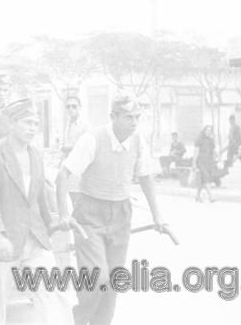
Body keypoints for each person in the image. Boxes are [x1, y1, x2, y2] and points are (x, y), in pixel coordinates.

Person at [55, 95, 165, 325]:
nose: (134, 122)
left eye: (137, 117)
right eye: (128, 117)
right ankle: (80, 318)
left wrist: (157, 215)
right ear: (113, 117)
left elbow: (145, 177)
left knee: (114, 280)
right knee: (98, 277)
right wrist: (64, 213)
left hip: (121, 214)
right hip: (90, 214)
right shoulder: (93, 139)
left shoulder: (138, 141)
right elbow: (63, 175)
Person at [0, 99, 73, 325]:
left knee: (53, 293)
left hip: (34, 239)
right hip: (0, 244)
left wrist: (52, 223)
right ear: (11, 124)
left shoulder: (36, 155)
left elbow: (39, 199)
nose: (33, 128)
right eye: (27, 122)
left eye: (36, 123)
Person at [60, 95, 89, 203]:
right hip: (67, 166)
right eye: (68, 107)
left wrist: (68, 148)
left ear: (80, 107)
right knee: (71, 196)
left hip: (79, 168)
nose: (71, 109)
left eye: (74, 106)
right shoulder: (66, 124)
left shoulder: (85, 125)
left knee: (79, 199)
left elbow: (86, 148)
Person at [192, 125, 225, 202]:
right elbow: (196, 152)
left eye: (210, 131)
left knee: (202, 180)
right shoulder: (199, 139)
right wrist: (193, 163)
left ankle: (197, 196)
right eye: (207, 130)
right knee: (206, 178)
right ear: (204, 131)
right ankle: (211, 197)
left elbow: (213, 151)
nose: (208, 132)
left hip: (208, 161)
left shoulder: (211, 140)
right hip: (200, 161)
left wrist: (219, 158)